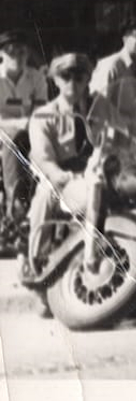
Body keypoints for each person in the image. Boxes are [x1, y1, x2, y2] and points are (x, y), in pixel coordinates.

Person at [22, 54, 120, 272]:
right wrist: (61, 175)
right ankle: (37, 260)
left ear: (88, 79)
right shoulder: (43, 116)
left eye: (79, 77)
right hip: (70, 183)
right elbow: (43, 158)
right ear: (55, 80)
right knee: (47, 192)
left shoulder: (101, 106)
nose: (72, 83)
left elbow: (122, 136)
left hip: (106, 176)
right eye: (65, 77)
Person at [0, 30, 48, 252]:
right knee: (13, 139)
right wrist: (19, 122)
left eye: (21, 52)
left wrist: (26, 123)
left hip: (29, 131)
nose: (17, 57)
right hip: (4, 133)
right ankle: (16, 201)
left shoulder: (36, 77)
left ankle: (37, 208)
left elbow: (41, 110)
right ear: (2, 54)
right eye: (11, 53)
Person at [90, 20, 136, 145]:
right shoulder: (112, 65)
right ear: (125, 39)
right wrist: (127, 123)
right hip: (110, 140)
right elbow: (99, 105)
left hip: (135, 143)